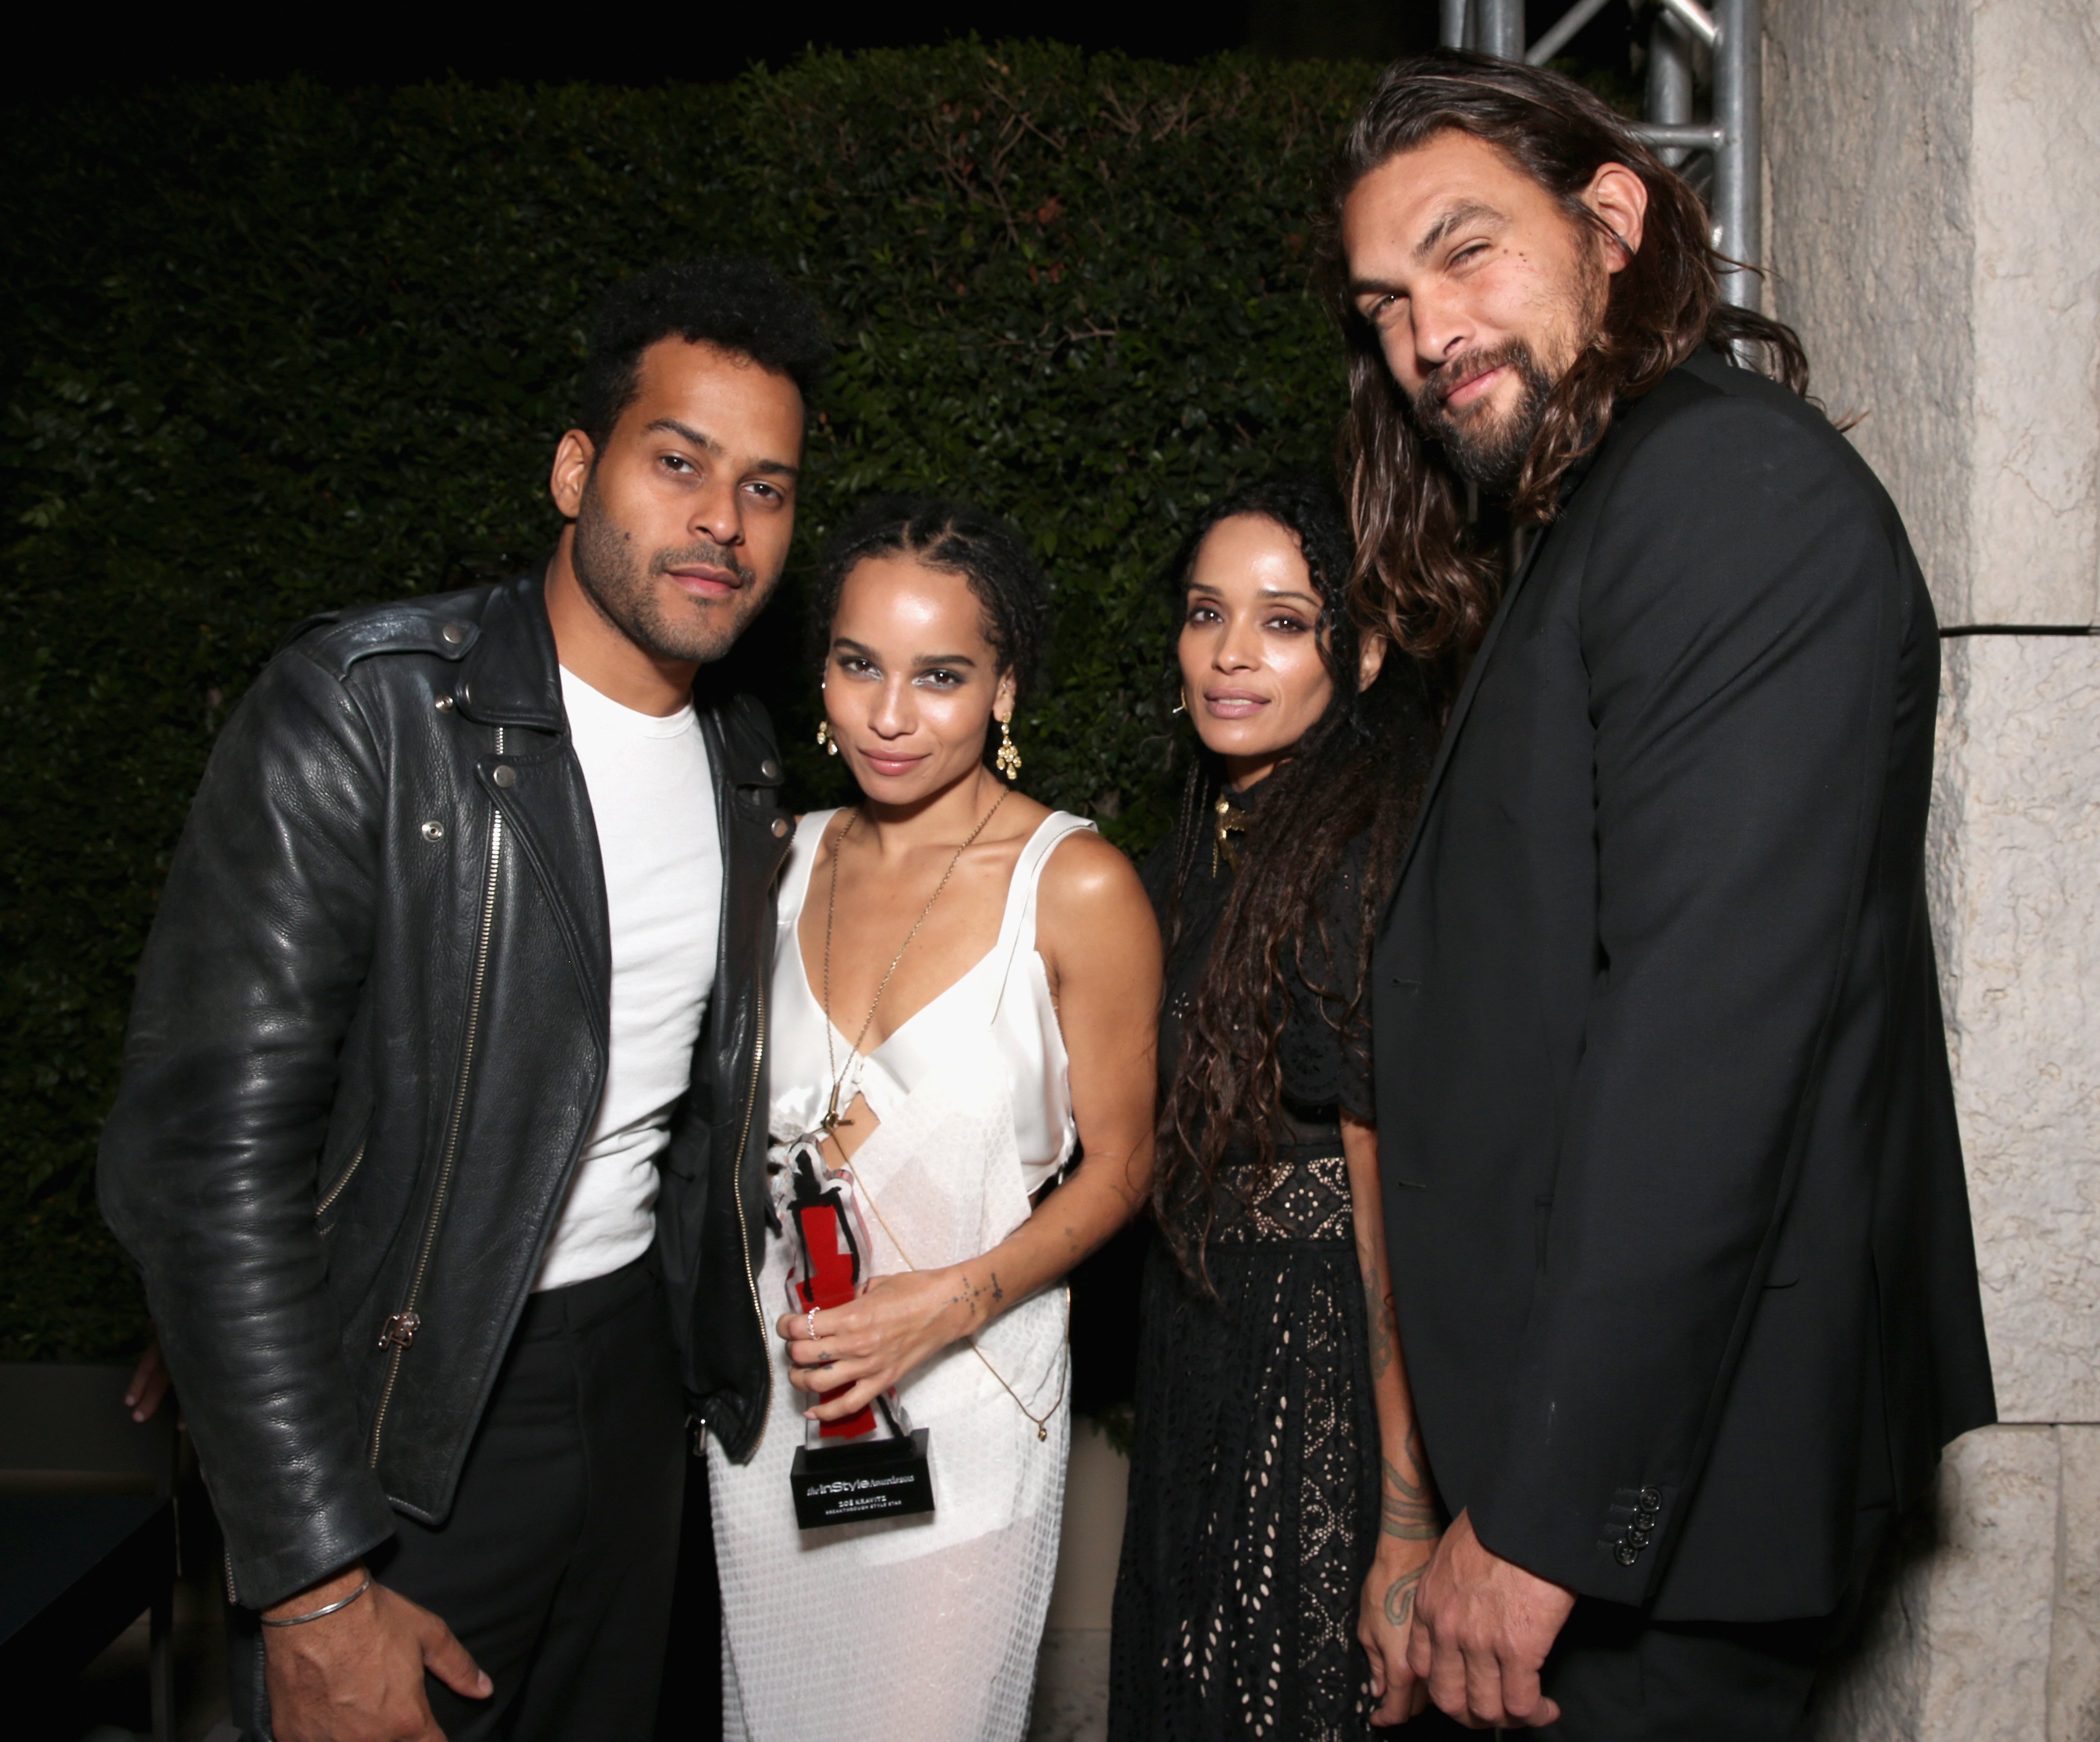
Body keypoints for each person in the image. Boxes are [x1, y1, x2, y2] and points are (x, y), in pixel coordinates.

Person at [1323, 53, 1997, 1739]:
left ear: (1612, 218)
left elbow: (1707, 1051)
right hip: (1581, 1486)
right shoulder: (1593, 512)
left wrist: (1551, 1518)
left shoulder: (1726, 494)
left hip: (1649, 1522)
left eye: (1469, 253)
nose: (1429, 335)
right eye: (1388, 302)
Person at [97, 257, 827, 1742]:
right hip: (406, 1412)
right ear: (577, 468)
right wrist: (308, 1580)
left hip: (631, 1402)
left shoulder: (743, 758)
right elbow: (201, 1163)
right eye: (676, 462)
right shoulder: (365, 710)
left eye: (765, 487)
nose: (720, 522)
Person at [706, 495, 1162, 1741]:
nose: (890, 716)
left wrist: (948, 1302)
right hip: (780, 1419)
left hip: (970, 1407)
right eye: (859, 665)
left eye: (941, 676)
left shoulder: (1074, 885)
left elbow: (1125, 1167)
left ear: (1005, 688)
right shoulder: (775, 860)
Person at [1108, 477, 1447, 1738]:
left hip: (1320, 1373)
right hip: (1203, 1333)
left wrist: (1406, 1517)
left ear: (1358, 653)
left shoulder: (1361, 854)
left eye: (1284, 620)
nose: (1232, 653)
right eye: (1206, 614)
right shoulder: (1199, 848)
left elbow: (1389, 1204)